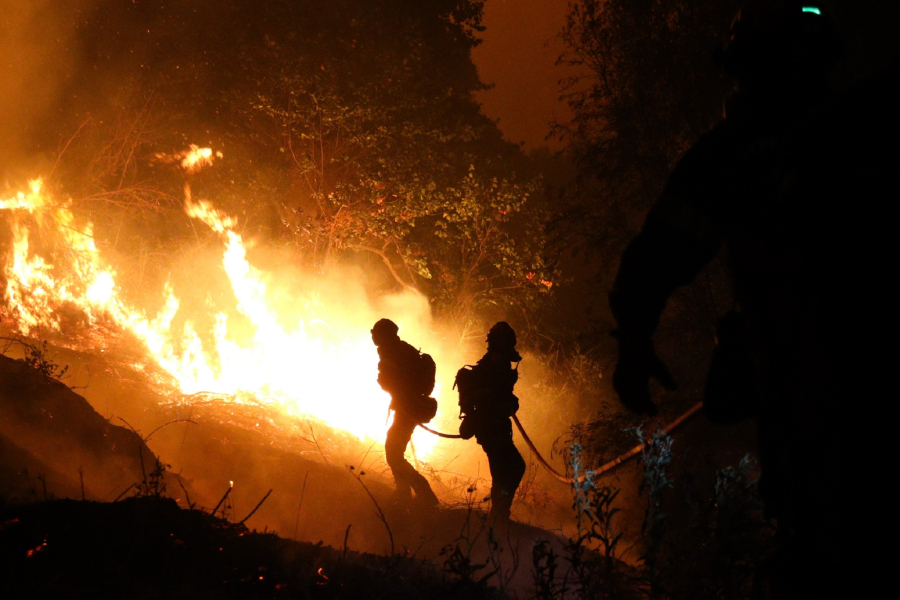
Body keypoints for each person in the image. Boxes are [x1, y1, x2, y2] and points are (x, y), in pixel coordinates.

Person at [608, 1, 895, 595]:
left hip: (809, 398)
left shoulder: (735, 156)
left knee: (820, 544)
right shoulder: (868, 128)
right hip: (834, 392)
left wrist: (634, 339)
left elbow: (660, 252)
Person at [463, 322, 526, 526]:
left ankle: (499, 514)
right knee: (510, 469)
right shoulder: (493, 364)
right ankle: (498, 516)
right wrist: (506, 402)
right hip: (491, 427)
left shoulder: (497, 363)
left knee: (508, 470)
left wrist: (509, 401)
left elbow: (499, 393)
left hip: (494, 427)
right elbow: (488, 396)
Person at [371, 318, 439, 507]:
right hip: (407, 407)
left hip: (408, 407)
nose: (373, 336)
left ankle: (424, 493)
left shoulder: (394, 351)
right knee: (394, 451)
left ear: (384, 335)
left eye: (375, 332)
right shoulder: (398, 349)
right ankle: (403, 493)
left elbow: (397, 382)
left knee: (393, 453)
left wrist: (387, 383)